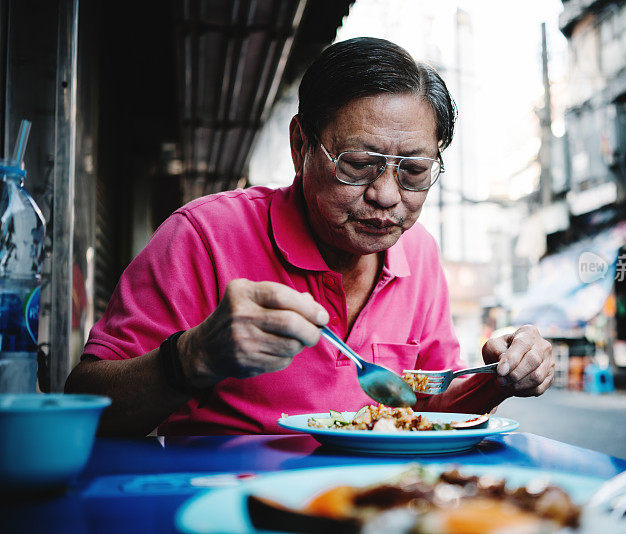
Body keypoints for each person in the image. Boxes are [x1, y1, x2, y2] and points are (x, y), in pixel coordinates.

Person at [65, 37, 554, 436]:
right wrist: (192, 357)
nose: (386, 196)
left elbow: (426, 404)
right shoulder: (203, 236)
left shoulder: (419, 252)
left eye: (414, 171)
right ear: (302, 146)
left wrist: (500, 377)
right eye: (359, 166)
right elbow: (83, 405)